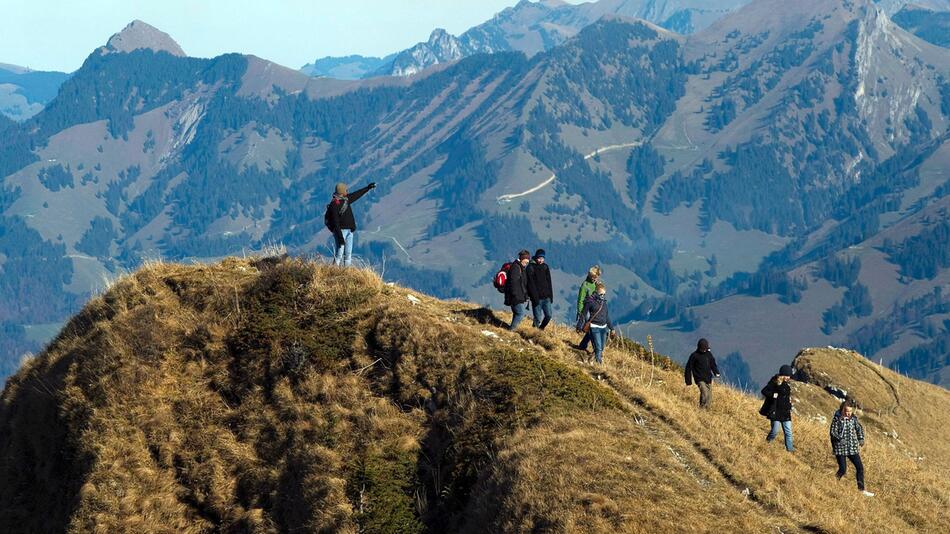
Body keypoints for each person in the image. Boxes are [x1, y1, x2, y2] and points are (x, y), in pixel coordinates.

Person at [830, 399, 874, 497]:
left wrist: (861, 438)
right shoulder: (837, 419)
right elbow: (833, 432)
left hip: (852, 448)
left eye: (850, 411)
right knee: (843, 469)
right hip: (840, 448)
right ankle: (832, 482)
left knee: (860, 468)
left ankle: (861, 490)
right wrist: (839, 439)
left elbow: (859, 428)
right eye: (846, 411)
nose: (849, 413)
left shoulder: (853, 419)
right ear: (842, 410)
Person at [327, 181, 376, 266]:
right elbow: (335, 222)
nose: (347, 191)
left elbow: (357, 194)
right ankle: (332, 272)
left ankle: (347, 274)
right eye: (346, 190)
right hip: (340, 231)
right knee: (339, 254)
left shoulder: (346, 200)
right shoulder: (334, 205)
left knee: (348, 255)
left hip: (349, 231)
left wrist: (368, 188)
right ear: (342, 191)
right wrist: (340, 237)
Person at [576, 282, 616, 366]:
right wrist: (579, 326)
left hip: (604, 328)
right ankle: (599, 366)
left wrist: (612, 328)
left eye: (604, 294)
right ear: (596, 292)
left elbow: (606, 316)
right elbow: (583, 314)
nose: (603, 296)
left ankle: (585, 350)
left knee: (601, 347)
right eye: (601, 294)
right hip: (594, 327)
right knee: (598, 348)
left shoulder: (604, 302)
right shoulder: (590, 302)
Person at [760, 365, 795, 452]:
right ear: (782, 375)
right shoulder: (774, 382)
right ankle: (767, 443)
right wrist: (773, 395)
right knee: (775, 431)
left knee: (788, 432)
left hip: (785, 412)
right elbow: (764, 391)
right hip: (775, 412)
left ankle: (790, 450)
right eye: (787, 375)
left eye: (789, 376)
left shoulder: (787, 385)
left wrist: (789, 404)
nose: (788, 377)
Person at [684, 338, 720, 409]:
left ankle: (707, 410)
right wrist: (688, 381)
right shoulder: (694, 356)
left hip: (708, 378)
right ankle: (702, 409)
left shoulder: (708, 354)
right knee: (705, 393)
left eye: (705, 349)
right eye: (702, 349)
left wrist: (716, 372)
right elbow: (688, 368)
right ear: (699, 347)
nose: (704, 350)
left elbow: (712, 364)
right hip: (699, 379)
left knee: (709, 397)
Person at [526, 248, 554, 330]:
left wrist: (550, 296)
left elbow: (549, 282)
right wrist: (534, 298)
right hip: (536, 298)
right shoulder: (530, 267)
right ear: (536, 257)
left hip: (546, 297)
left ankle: (541, 329)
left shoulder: (545, 267)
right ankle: (534, 332)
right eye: (539, 258)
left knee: (548, 316)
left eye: (542, 258)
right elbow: (530, 284)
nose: (541, 260)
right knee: (537, 318)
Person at [576, 266, 601, 352]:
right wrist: (580, 311)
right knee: (591, 329)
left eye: (596, 277)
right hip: (586, 310)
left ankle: (583, 345)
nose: (595, 279)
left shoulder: (596, 284)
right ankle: (592, 348)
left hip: (594, 310)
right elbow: (581, 299)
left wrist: (599, 286)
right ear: (590, 275)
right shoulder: (585, 285)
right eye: (593, 277)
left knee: (591, 329)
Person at [505, 250, 531, 331]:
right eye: (525, 261)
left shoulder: (519, 267)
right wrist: (516, 295)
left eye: (527, 262)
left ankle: (511, 328)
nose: (526, 263)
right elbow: (514, 283)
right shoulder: (516, 267)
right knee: (520, 313)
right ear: (522, 259)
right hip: (515, 296)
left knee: (517, 313)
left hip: (517, 295)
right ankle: (511, 330)